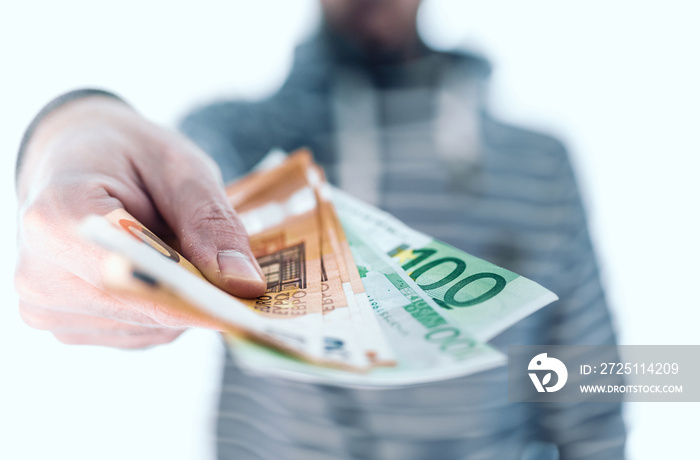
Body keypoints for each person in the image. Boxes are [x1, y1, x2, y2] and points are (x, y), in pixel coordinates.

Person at [14, 0, 626, 458]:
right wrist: (70, 124)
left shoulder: (542, 163)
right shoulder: (247, 135)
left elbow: (591, 376)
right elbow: (168, 165)